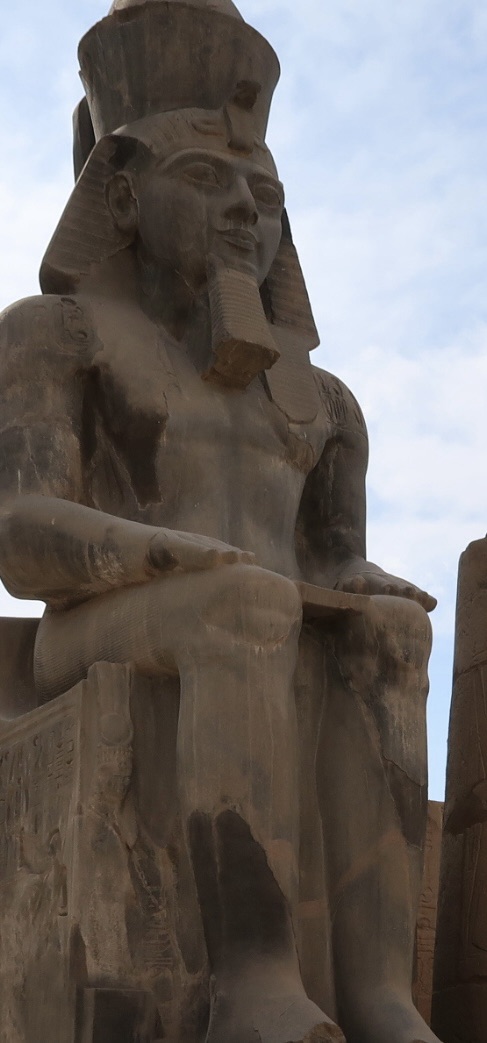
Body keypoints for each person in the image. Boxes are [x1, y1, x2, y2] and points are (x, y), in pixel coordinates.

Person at [0, 2, 442, 1041]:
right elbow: (20, 534)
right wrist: (160, 551)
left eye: (266, 194)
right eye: (206, 179)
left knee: (392, 633)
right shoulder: (59, 333)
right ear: (120, 191)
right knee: (244, 601)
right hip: (95, 625)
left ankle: (379, 993)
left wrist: (358, 577)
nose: (246, 211)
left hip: (246, 607)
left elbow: (331, 553)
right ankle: (254, 978)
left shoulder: (323, 401)